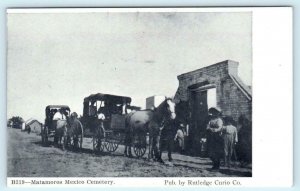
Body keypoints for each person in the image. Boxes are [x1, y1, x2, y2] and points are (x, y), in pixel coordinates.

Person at [206, 107, 224, 171]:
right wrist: (209, 128)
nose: (214, 114)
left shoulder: (219, 120)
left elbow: (220, 128)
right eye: (213, 112)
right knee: (211, 152)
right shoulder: (211, 120)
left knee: (216, 152)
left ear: (218, 113)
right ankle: (214, 165)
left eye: (215, 113)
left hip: (217, 137)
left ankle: (217, 166)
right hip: (211, 137)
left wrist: (213, 129)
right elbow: (207, 127)